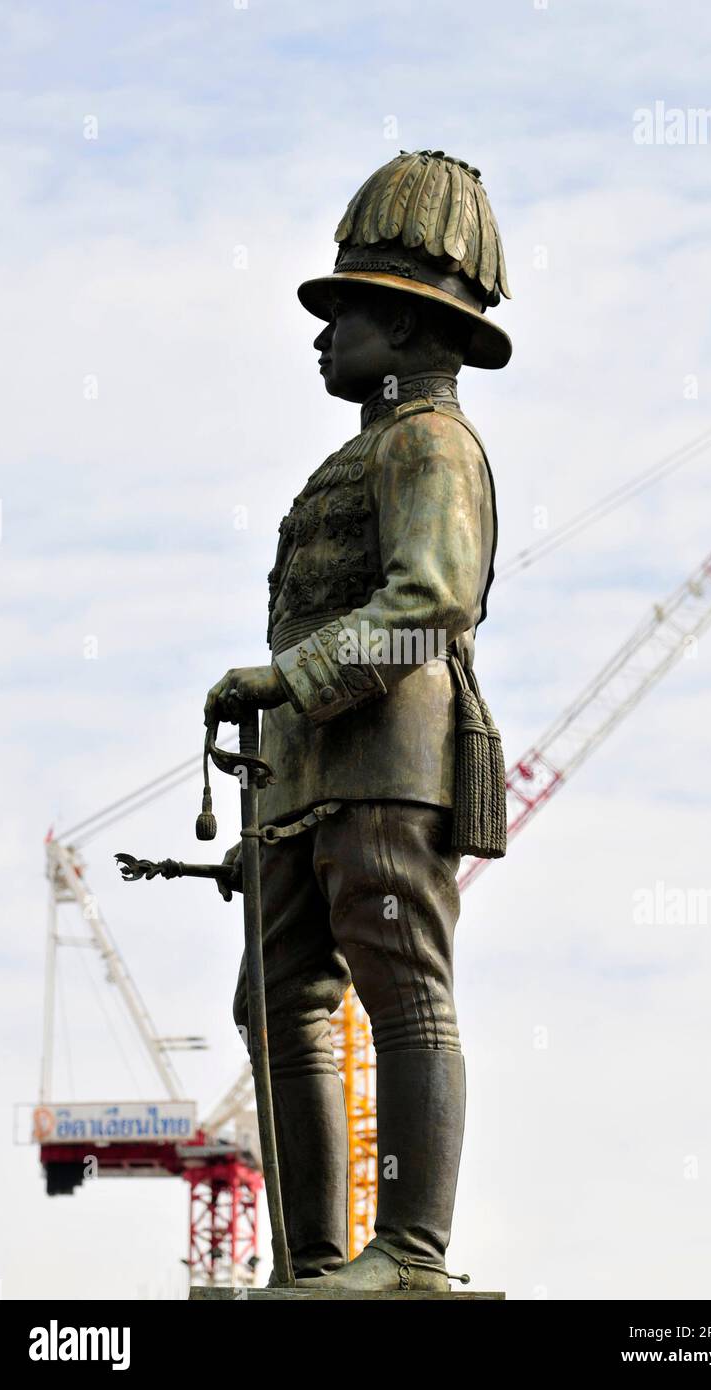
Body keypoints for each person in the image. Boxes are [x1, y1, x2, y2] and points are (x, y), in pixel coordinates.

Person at [204, 149, 512, 1292]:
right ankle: (315, 1257)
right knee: (277, 999)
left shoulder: (430, 442)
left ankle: (410, 1255)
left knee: (399, 986)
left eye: (346, 317)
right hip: (306, 773)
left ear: (407, 327)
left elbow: (430, 599)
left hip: (390, 757)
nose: (323, 338)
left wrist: (285, 682)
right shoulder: (364, 449)